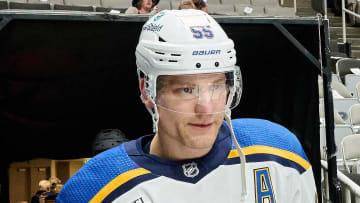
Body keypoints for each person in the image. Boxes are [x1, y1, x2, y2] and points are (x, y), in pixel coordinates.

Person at [57, 9, 317, 202]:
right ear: (147, 92)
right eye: (186, 89)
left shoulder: (280, 153)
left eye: (215, 86)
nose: (206, 108)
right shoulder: (93, 190)